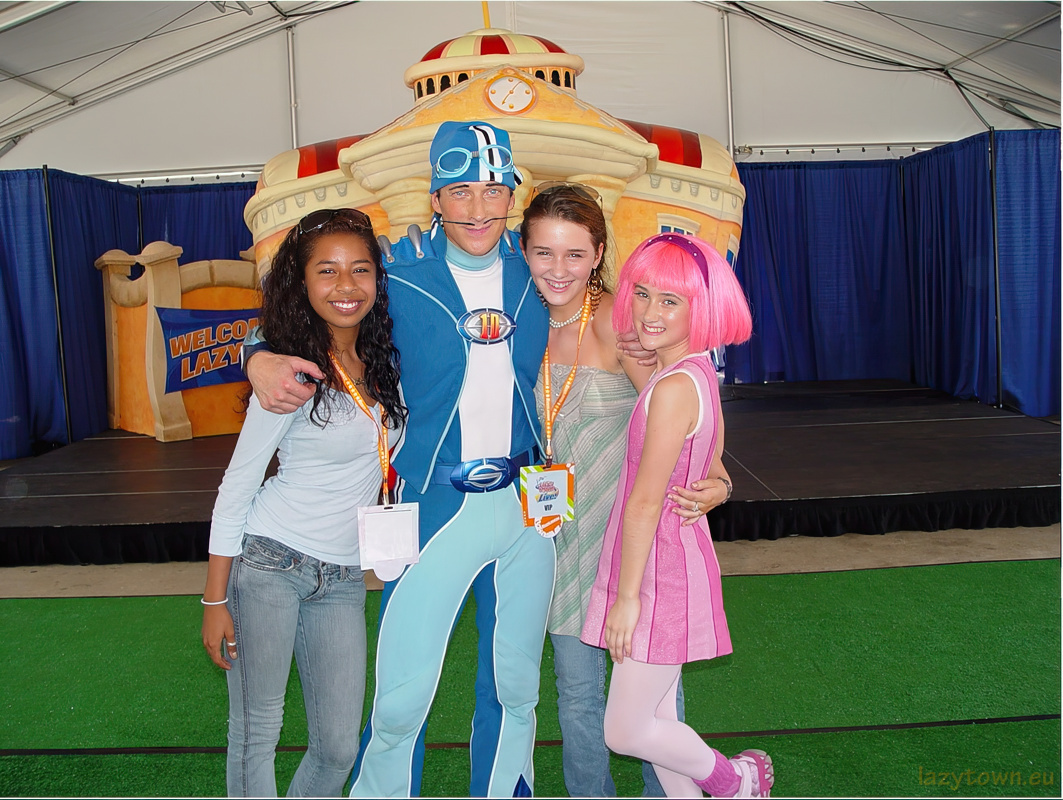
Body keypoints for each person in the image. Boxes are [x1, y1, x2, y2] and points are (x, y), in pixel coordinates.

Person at [243, 121, 553, 798]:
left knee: (517, 687)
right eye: (460, 191)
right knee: (401, 699)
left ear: (512, 194)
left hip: (529, 506)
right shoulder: (397, 271)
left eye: (493, 189)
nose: (478, 207)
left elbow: (623, 314)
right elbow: (309, 309)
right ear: (434, 197)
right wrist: (256, 352)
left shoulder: (540, 269)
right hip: (434, 504)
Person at [520, 186, 732, 798]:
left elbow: (687, 417)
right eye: (543, 253)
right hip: (556, 537)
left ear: (598, 254)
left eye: (574, 254)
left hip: (628, 542)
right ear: (524, 252)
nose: (558, 270)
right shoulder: (514, 322)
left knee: (652, 702)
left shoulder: (626, 327)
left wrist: (719, 481)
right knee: (576, 695)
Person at [201, 208, 404, 797]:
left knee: (338, 747)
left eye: (360, 269)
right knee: (256, 732)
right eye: (327, 271)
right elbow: (237, 486)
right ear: (303, 281)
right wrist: (215, 598)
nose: (346, 285)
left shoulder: (384, 361)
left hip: (342, 576)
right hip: (270, 563)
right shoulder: (289, 371)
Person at [581, 233, 774, 798]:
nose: (649, 311)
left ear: (701, 309)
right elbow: (713, 461)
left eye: (670, 300)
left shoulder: (674, 387)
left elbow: (645, 501)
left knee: (626, 730)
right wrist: (720, 484)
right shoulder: (694, 373)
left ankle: (736, 780)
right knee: (659, 720)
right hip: (664, 562)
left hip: (659, 573)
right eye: (642, 294)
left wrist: (627, 598)